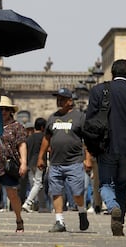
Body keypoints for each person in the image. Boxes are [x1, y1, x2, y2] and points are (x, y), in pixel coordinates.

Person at [86, 59, 126, 236]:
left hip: (106, 146)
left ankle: (113, 207)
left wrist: (91, 148)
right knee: (122, 185)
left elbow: (89, 121)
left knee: (106, 183)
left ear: (112, 73)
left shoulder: (98, 91)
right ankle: (119, 223)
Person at [37, 87, 92, 233]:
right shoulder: (52, 118)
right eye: (57, 98)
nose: (58, 101)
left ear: (70, 101)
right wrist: (40, 157)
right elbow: (46, 139)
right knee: (56, 192)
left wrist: (88, 159)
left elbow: (86, 140)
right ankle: (59, 221)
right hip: (55, 162)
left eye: (61, 98)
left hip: (74, 161)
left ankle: (81, 212)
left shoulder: (80, 117)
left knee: (77, 193)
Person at [0, 96, 27, 233]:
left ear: (10, 111)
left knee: (12, 194)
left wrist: (23, 163)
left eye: (6, 109)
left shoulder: (17, 126)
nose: (3, 112)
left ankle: (19, 219)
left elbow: (22, 145)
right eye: (0, 109)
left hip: (8, 166)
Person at [22, 117, 48, 213]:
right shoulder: (43, 137)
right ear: (42, 127)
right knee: (38, 184)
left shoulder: (30, 138)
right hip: (39, 163)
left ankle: (42, 206)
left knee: (38, 184)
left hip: (30, 163)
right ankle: (28, 203)